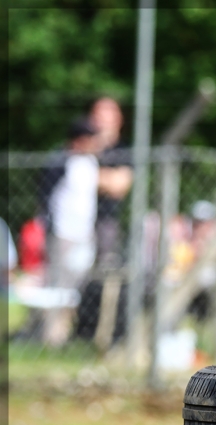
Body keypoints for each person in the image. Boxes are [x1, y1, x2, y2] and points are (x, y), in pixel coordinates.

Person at [42, 118, 102, 346]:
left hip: (84, 232)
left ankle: (66, 332)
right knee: (58, 285)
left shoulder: (91, 163)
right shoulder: (61, 161)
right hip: (62, 231)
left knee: (76, 285)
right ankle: (51, 336)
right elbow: (46, 196)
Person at [89, 97, 133, 267]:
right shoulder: (82, 146)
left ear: (119, 120)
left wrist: (90, 177)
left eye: (107, 118)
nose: (102, 124)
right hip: (77, 220)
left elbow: (119, 185)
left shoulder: (123, 149)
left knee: (105, 269)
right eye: (98, 118)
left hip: (107, 220)